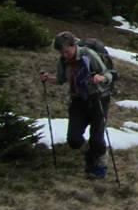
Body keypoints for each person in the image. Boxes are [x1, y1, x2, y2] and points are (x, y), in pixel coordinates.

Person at [40, 31, 113, 179]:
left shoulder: (89, 55)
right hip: (78, 100)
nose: (65, 55)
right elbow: (61, 79)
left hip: (98, 98)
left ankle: (100, 165)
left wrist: (100, 78)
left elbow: (108, 75)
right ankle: (90, 153)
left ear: (73, 46)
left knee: (96, 137)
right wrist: (48, 78)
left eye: (67, 51)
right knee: (73, 139)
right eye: (61, 52)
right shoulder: (63, 61)